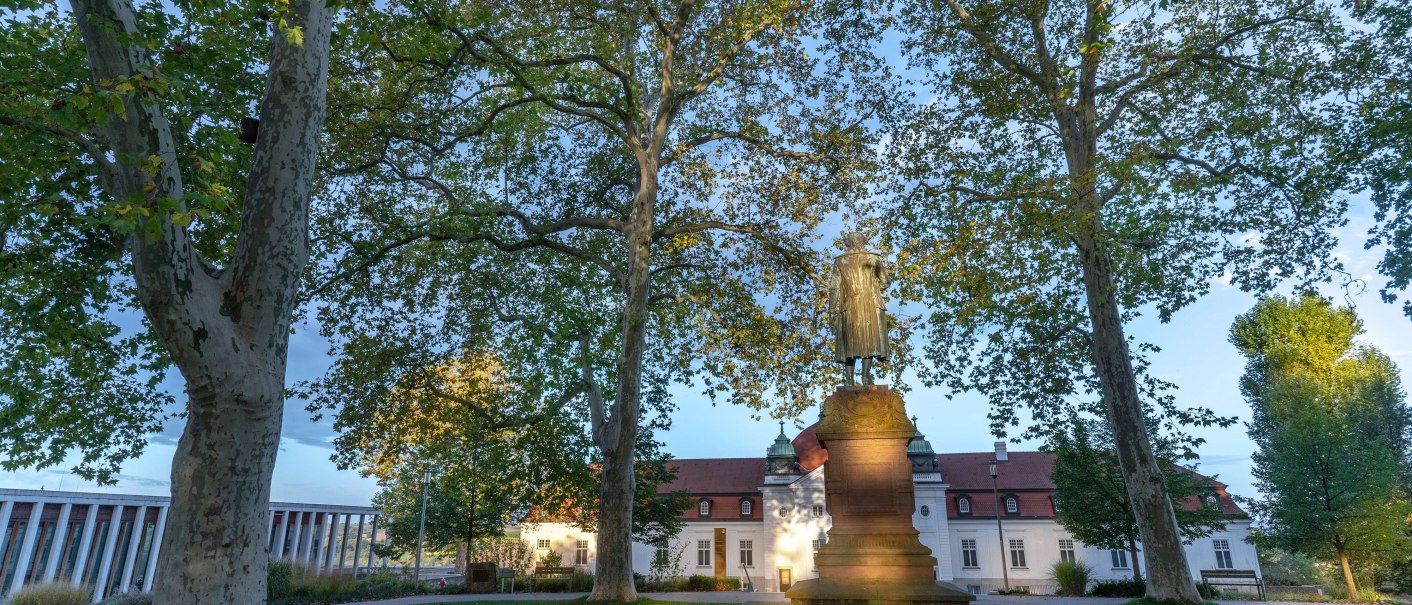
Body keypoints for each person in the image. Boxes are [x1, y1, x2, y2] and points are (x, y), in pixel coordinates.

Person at [828, 232, 889, 386]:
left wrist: (831, 309)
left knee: (849, 343)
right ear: (863, 242)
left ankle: (849, 379)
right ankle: (865, 377)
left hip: (849, 306)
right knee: (868, 341)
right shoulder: (873, 258)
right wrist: (874, 287)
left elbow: (834, 287)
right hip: (870, 305)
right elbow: (886, 281)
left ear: (848, 243)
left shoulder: (840, 261)